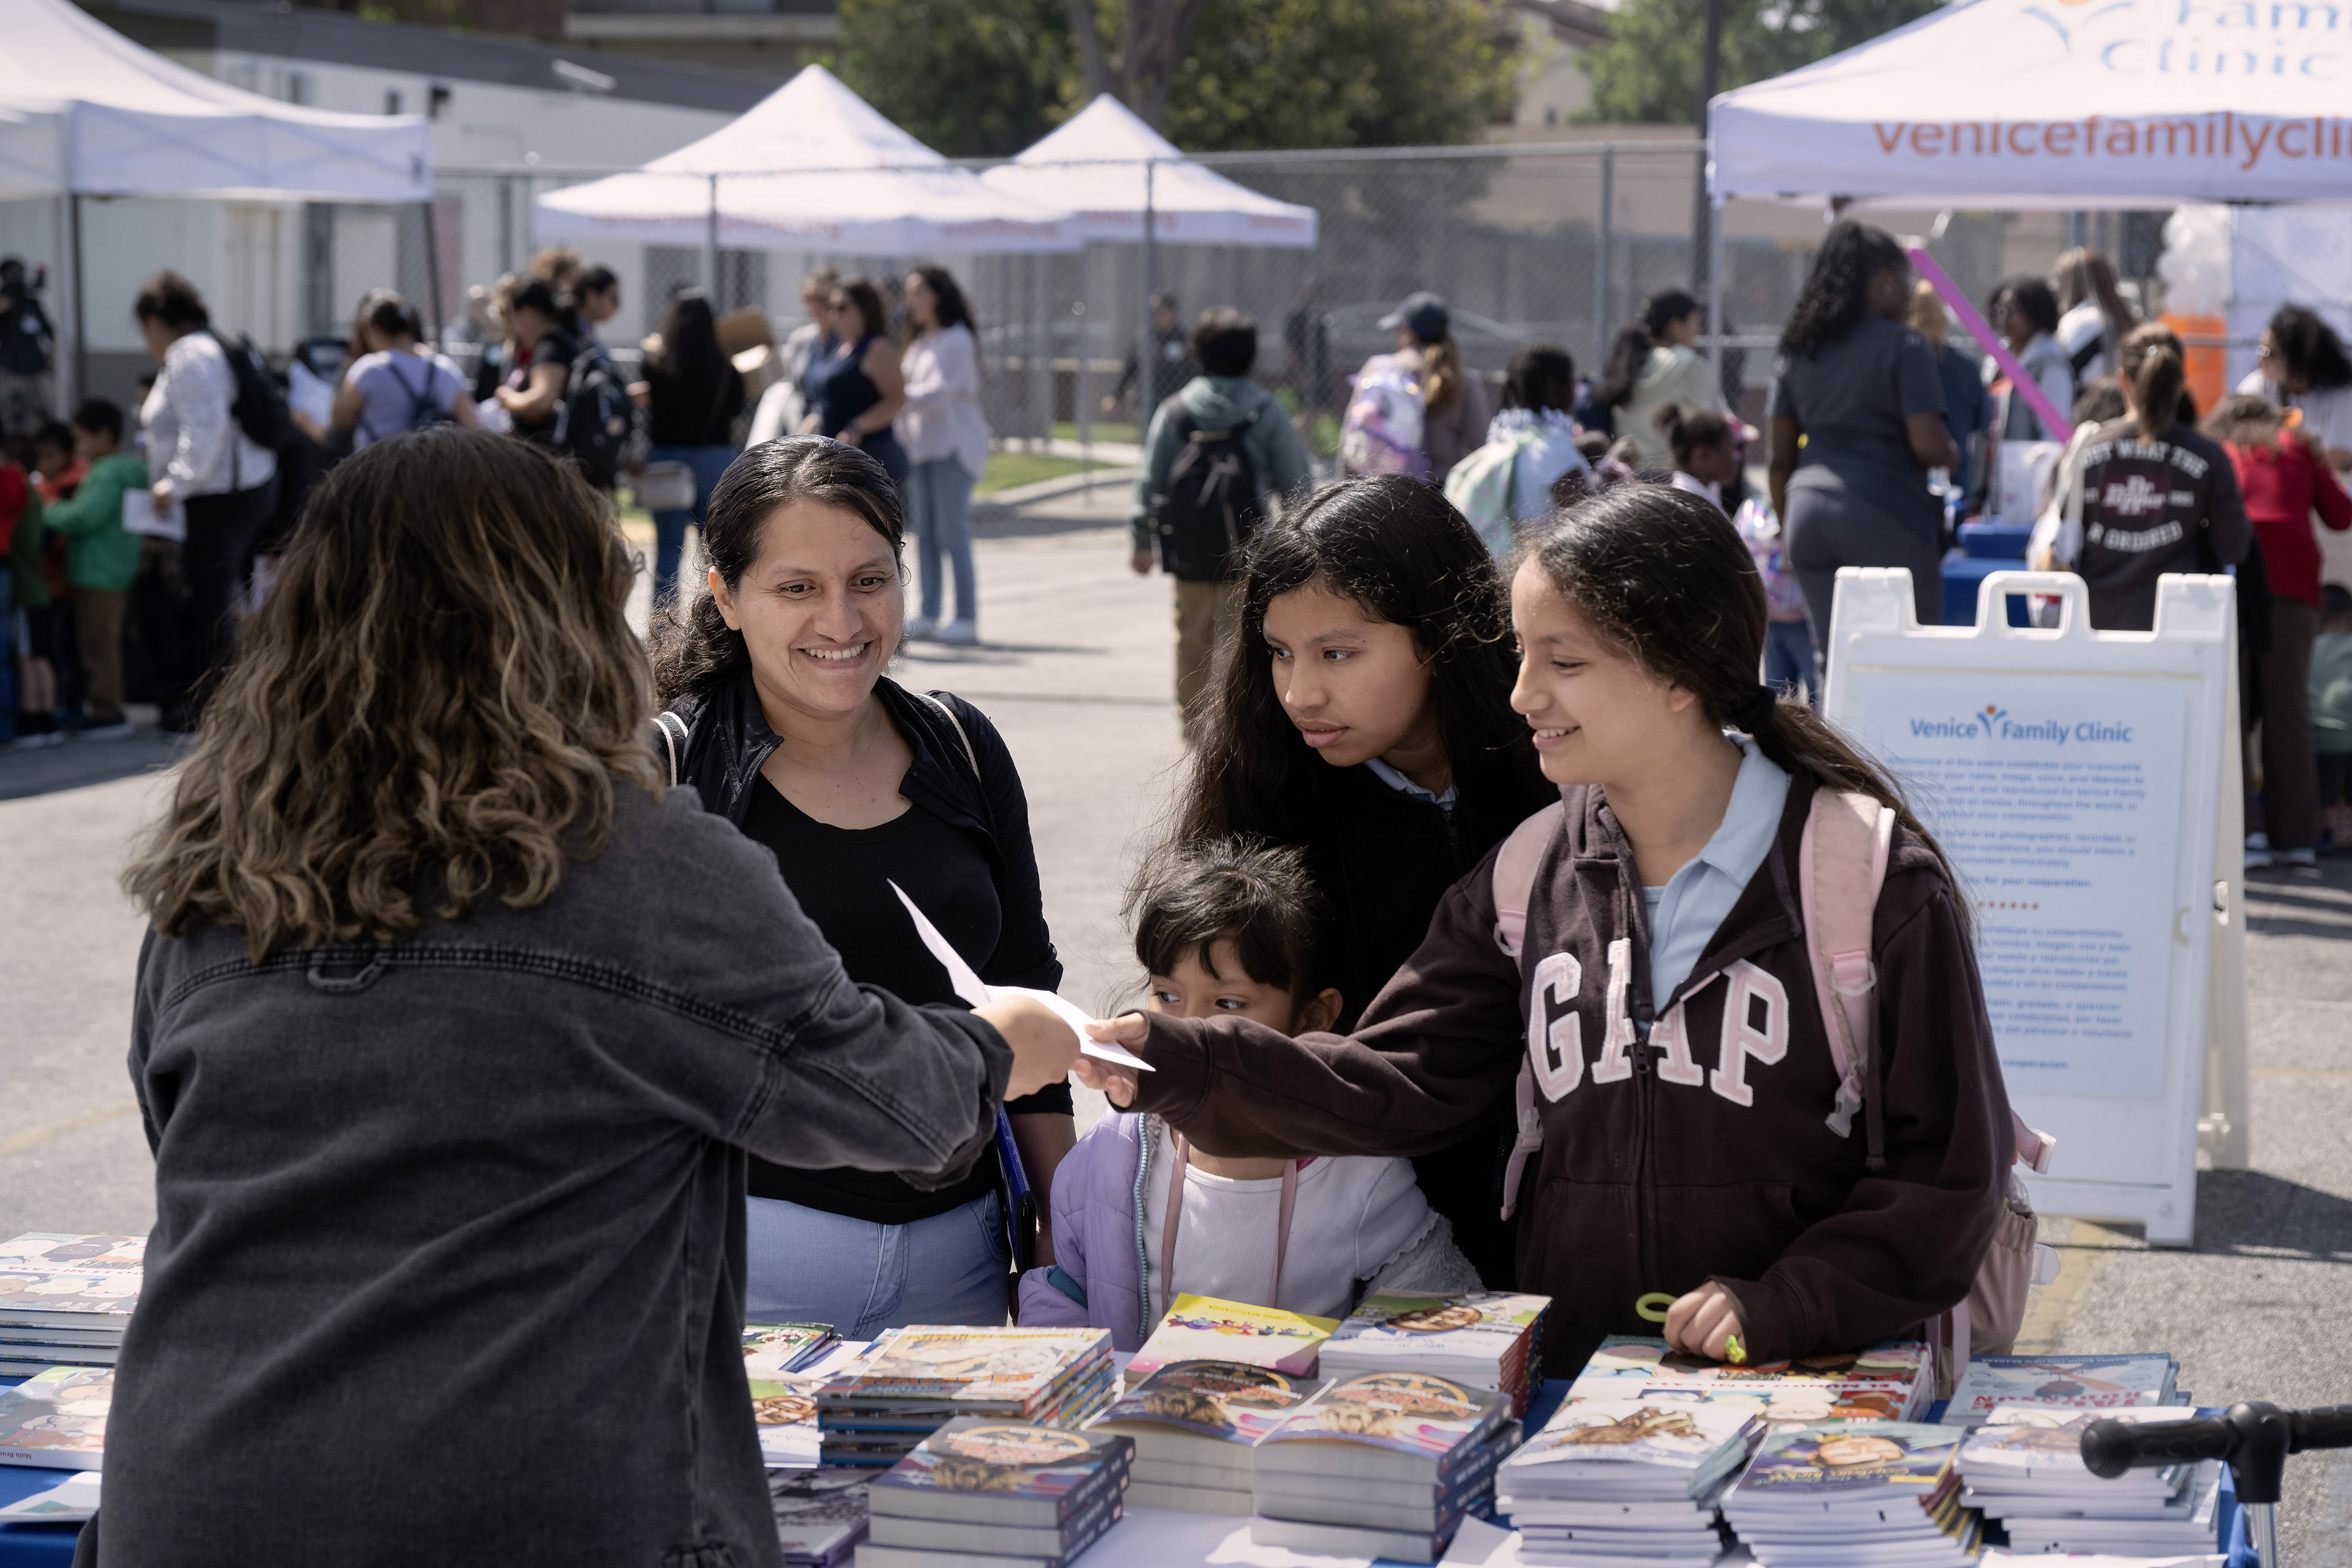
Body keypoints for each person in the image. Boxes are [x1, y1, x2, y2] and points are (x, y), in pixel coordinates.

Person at [101, 428, 1080, 1568]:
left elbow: (186, 1150)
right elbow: (894, 1104)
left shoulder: (214, 880)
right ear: (556, 623)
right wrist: (1011, 1037)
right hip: (518, 1504)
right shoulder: (636, 867)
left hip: (191, 1495)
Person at [1077, 482, 2016, 1379]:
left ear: (1681, 667)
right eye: (1523, 655)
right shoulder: (1530, 873)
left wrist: (1791, 1301)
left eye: (1562, 662)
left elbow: (1948, 1170)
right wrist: (1174, 1057)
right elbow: (1397, 1077)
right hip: (1574, 1384)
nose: (1522, 693)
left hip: (1811, 1384)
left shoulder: (1868, 880)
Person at [651, 435, 1078, 1332]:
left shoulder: (963, 746)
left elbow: (1029, 995)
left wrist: (1055, 1232)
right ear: (726, 596)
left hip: (962, 1255)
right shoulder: (670, 771)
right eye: (797, 587)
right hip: (740, 1259)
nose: (842, 622)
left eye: (870, 581)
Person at [1169, 474, 1557, 1289]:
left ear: (1440, 634)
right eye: (1278, 652)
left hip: (1558, 1210)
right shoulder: (1266, 792)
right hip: (1350, 1234)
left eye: (1338, 652)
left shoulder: (1558, 770)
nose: (1300, 691)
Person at [1018, 838, 1481, 1343]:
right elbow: (1066, 1292)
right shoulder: (1109, 1156)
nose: (1190, 1028)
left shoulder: (1358, 1171)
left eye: (1229, 1003)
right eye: (1168, 996)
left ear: (1314, 1016)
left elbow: (1435, 1300)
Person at [1130, 307, 1313, 738]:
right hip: (1246, 551)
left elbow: (1149, 480)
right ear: (1251, 357)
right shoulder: (1265, 411)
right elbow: (1297, 485)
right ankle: (1235, 730)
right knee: (1241, 643)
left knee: (1191, 636)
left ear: (1198, 355)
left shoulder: (1175, 411)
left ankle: (1193, 727)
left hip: (1189, 548)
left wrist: (1141, 538)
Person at [1766, 221, 1957, 637]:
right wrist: (1951, 453)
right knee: (1909, 653)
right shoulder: (1904, 345)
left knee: (1832, 661)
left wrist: (1787, 529)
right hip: (1885, 512)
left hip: (1806, 513)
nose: (1909, 290)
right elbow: (1928, 447)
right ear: (1883, 281)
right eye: (1905, 278)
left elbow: (1779, 458)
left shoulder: (1798, 348)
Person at [2207, 393, 2352, 873]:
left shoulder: (2219, 447)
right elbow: (2340, 514)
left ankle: (2246, 834)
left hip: (2237, 579)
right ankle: (2297, 839)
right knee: (2289, 711)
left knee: (2235, 709)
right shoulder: (2300, 445)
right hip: (2293, 583)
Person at [136, 271, 278, 729]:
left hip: (217, 496)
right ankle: (226, 701)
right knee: (218, 600)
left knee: (212, 603)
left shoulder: (190, 354)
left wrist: (173, 484)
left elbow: (205, 428)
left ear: (157, 321)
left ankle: (221, 706)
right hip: (234, 490)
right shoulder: (209, 345)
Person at [2045, 324, 2251, 633]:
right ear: (2181, 383)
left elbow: (2052, 539)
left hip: (2093, 628)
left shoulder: (2083, 450)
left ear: (2123, 380)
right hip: (2178, 631)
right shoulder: (2209, 457)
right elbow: (2234, 548)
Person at [31, 399, 145, 742]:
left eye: (82, 439)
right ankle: (106, 709)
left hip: (97, 571)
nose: (78, 449)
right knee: (103, 643)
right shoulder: (132, 469)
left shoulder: (106, 472)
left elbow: (84, 517)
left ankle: (107, 712)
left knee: (99, 646)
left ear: (104, 435)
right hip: (116, 567)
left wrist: (44, 508)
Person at [897, 266, 989, 646]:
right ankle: (930, 614)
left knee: (954, 533)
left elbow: (941, 391)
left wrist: (897, 398)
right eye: (910, 293)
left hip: (953, 448)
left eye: (919, 292)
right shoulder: (920, 342)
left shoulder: (957, 339)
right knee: (927, 535)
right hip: (921, 449)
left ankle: (966, 618)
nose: (912, 301)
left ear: (939, 295)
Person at [641, 290, 746, 607]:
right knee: (716, 549)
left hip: (668, 461)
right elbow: (737, 408)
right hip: (715, 459)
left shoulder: (656, 366)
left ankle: (663, 625)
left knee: (669, 548)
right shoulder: (728, 370)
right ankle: (717, 619)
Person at [332, 291, 477, 450]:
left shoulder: (368, 369)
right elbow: (472, 422)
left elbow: (340, 418)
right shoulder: (445, 368)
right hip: (435, 466)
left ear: (376, 329)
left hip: (379, 466)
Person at [799, 279, 907, 488]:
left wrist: (857, 427)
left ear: (864, 310)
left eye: (842, 308)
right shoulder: (840, 347)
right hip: (837, 457)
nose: (834, 316)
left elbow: (897, 399)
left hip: (872, 458)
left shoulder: (877, 348)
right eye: (831, 308)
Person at [1595, 289, 1715, 472]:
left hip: (1628, 476)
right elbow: (1708, 427)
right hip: (1674, 480)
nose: (1698, 330)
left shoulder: (1630, 360)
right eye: (1695, 322)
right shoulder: (1689, 363)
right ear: (1675, 326)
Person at [1378, 291, 1489, 486]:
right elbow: (1481, 445)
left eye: (1398, 330)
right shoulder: (1464, 381)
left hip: (1390, 492)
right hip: (1443, 493)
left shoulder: (1381, 374)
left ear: (1408, 336)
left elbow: (1353, 441)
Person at [2238, 304, 2352, 477]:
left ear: (2299, 359)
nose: (2261, 360)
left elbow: (2339, 459)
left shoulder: (2342, 394)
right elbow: (2232, 433)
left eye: (2270, 353)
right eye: (2261, 347)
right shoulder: (2258, 386)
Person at [1910, 280, 1993, 504]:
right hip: (1955, 475)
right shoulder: (1965, 368)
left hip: (1905, 478)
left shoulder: (1898, 366)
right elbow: (1984, 419)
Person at [1488, 345, 1590, 525]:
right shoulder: (1554, 450)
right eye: (1571, 380)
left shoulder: (1501, 438)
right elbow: (1586, 524)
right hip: (1547, 552)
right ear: (1553, 386)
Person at [1987, 275, 2075, 445]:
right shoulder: (1996, 358)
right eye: (2000, 311)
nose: (2003, 320)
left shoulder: (2051, 363)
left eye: (2012, 312)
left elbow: (2053, 433)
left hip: (2030, 465)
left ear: (2036, 314)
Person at [492, 279, 576, 450]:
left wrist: (507, 398)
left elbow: (541, 403)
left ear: (528, 313)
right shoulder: (556, 342)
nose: (511, 324)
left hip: (552, 455)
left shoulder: (550, 346)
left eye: (512, 315)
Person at [2054, 248, 2137, 387]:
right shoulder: (2131, 319)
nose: (2055, 286)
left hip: (2090, 403)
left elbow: (2063, 377)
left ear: (2070, 283)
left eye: (2059, 278)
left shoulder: (2079, 320)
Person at [1108, 293, 1196, 421]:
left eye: (1162, 311)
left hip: (1177, 399)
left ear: (1172, 312)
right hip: (1149, 399)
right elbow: (1131, 368)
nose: (1157, 316)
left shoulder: (1184, 339)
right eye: (1154, 312)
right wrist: (1116, 396)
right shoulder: (1145, 338)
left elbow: (1195, 369)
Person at [2309, 583, 2352, 848]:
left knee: (2321, 787)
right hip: (2350, 738)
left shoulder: (2307, 647)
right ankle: (2347, 834)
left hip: (2316, 738)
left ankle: (2321, 830)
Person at [0, 258, 54, 436]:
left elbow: (49, 330)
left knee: (44, 409)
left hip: (36, 367)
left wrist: (53, 355)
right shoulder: (5, 301)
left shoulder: (31, 302)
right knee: (10, 412)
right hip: (11, 367)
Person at [1657, 403, 1741, 515]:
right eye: (1731, 451)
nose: (1737, 459)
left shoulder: (1707, 494)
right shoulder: (1691, 506)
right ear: (1703, 455)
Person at [574, 265, 621, 344]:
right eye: (614, 298)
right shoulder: (575, 336)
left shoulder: (588, 332)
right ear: (592, 297)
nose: (617, 306)